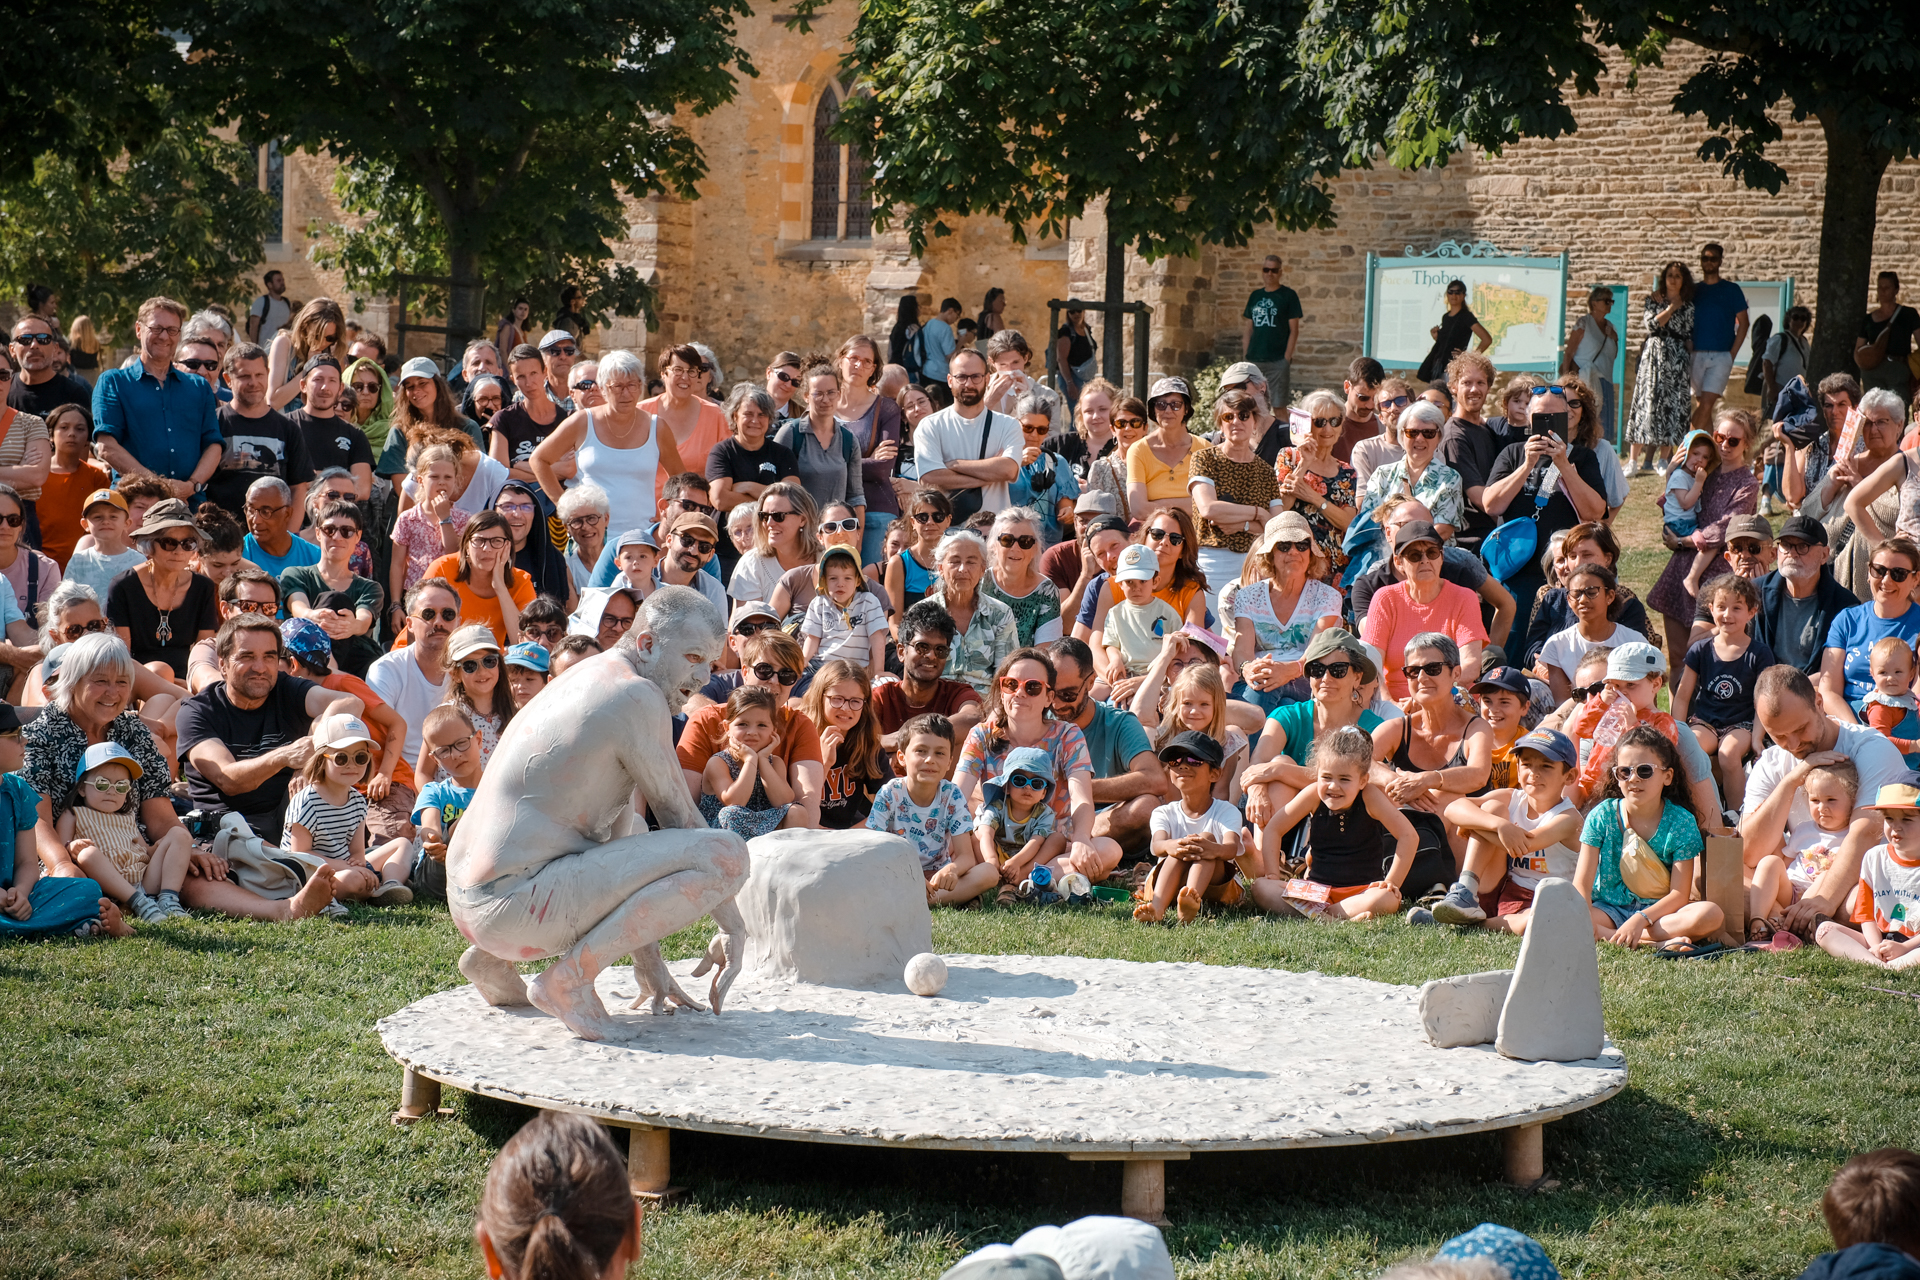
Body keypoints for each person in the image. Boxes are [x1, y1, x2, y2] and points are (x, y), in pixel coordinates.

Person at [1748, 665, 1920, 945]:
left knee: (1855, 901)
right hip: (1799, 880)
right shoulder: (1771, 763)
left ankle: (1782, 918)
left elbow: (1866, 833)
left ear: (1819, 702)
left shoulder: (1872, 748)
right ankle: (1790, 918)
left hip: (1866, 880)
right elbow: (1750, 853)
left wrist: (1823, 899)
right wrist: (1791, 782)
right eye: (1779, 736)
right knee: (1722, 873)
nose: (1793, 744)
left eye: (1801, 729)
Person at [177, 612, 361, 845]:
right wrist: (286, 756)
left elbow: (350, 703)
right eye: (247, 656)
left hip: (290, 823)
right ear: (222, 664)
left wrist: (310, 754)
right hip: (228, 831)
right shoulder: (198, 712)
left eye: (269, 657)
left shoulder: (285, 688)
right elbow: (229, 780)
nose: (260, 667)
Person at [953, 647, 1118, 880]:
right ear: (1001, 690)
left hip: (1047, 845)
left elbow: (1081, 797)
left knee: (1109, 849)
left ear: (1049, 697)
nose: (1020, 693)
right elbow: (957, 795)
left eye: (1032, 687)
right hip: (992, 843)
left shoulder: (1068, 735)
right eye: (1011, 684)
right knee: (956, 837)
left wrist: (1081, 838)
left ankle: (1012, 876)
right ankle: (1034, 878)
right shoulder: (982, 734)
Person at [1575, 725, 1725, 950]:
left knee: (1711, 914)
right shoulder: (1601, 815)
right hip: (1608, 910)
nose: (1633, 778)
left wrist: (1640, 919)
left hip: (1660, 915)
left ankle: (1617, 936)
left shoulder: (1681, 821)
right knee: (1570, 913)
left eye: (1644, 771)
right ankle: (1654, 943)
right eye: (1625, 771)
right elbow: (1581, 884)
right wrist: (1583, 914)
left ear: (1667, 776)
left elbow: (1678, 895)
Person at [1419, 728, 1582, 932]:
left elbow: (1524, 845)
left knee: (1533, 921)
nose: (1534, 773)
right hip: (1503, 886)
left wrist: (1476, 826)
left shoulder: (1569, 818)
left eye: (1546, 766)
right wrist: (1498, 825)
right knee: (1492, 809)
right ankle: (1466, 891)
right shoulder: (1512, 797)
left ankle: (1468, 925)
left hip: (1545, 898)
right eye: (1526, 764)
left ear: (1569, 776)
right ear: (1518, 769)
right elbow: (1452, 808)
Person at [1482, 384, 1609, 638]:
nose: (1548, 423)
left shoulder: (1582, 457)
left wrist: (1564, 464)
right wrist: (1527, 465)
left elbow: (1595, 512)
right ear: (1530, 419)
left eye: (1555, 417)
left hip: (1565, 574)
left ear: (1567, 418)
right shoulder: (1513, 453)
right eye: (1541, 416)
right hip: (1518, 573)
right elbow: (1491, 505)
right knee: (1515, 645)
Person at [1260, 725, 1419, 921]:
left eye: (1344, 779)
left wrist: (1391, 882)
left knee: (1386, 899)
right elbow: (1274, 828)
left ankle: (1318, 916)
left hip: (1361, 892)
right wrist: (1272, 874)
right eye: (1326, 777)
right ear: (1317, 774)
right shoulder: (1313, 795)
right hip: (1315, 891)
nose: (1333, 786)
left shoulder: (1369, 796)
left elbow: (1408, 836)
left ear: (1362, 781)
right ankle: (1335, 918)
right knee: (1262, 887)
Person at [676, 627, 824, 829]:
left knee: (797, 811)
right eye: (764, 670)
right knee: (731, 814)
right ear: (745, 672)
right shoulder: (706, 720)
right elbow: (686, 804)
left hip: (771, 833)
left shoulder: (799, 725)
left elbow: (807, 801)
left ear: (794, 683)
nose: (773, 681)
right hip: (716, 832)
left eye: (786, 674)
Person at [531, 350, 680, 549]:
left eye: (632, 385)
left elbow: (680, 480)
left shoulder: (657, 427)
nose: (625, 393)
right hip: (589, 540)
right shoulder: (582, 422)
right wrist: (565, 506)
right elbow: (539, 459)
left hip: (642, 540)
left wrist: (668, 514)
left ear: (640, 386)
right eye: (617, 386)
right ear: (602, 388)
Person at [91, 298, 224, 496]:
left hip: (189, 502)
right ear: (139, 329)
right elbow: (106, 446)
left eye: (172, 330)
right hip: (135, 502)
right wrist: (160, 488)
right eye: (156, 328)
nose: (164, 336)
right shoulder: (114, 382)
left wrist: (191, 486)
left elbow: (213, 445)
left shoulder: (199, 387)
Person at [281, 711, 413, 906]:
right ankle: (370, 886)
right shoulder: (306, 801)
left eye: (360, 757)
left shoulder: (357, 801)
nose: (352, 765)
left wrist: (358, 862)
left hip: (346, 866)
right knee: (354, 880)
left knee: (403, 844)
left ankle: (390, 885)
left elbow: (357, 851)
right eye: (341, 758)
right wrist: (348, 868)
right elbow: (301, 855)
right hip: (310, 874)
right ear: (321, 759)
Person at [866, 713, 992, 905]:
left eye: (939, 753)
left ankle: (919, 900)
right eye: (921, 751)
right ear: (902, 757)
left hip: (937, 877)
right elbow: (874, 851)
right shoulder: (890, 793)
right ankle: (942, 898)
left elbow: (966, 856)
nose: (930, 759)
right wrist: (910, 876)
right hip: (897, 873)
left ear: (949, 762)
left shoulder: (952, 795)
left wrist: (952, 870)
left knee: (989, 873)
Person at [61, 741, 193, 923]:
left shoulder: (128, 817)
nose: (112, 791)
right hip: (108, 885)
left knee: (179, 833)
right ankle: (138, 903)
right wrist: (72, 846)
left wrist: (162, 846)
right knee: (87, 854)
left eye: (121, 786)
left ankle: (168, 899)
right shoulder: (74, 813)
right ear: (82, 788)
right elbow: (61, 848)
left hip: (144, 881)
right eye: (102, 784)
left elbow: (145, 850)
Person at [1672, 573, 1771, 809]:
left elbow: (1763, 701)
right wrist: (1677, 732)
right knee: (1691, 750)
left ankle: (1737, 814)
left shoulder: (1759, 653)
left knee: (1728, 754)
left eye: (1737, 608)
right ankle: (1699, 810)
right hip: (1705, 721)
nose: (1727, 614)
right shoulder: (1700, 649)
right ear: (1711, 609)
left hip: (1742, 724)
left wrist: (1757, 738)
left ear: (1751, 612)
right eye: (1721, 607)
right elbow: (1682, 696)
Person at [1359, 522, 1487, 699]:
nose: (1425, 560)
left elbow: (1470, 665)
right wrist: (1389, 704)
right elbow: (1372, 664)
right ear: (1398, 562)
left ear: (1441, 557)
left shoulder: (1464, 597)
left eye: (1432, 553)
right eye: (1414, 555)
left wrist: (1430, 700)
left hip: (1450, 698)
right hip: (1396, 702)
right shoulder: (1385, 599)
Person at [105, 498, 219, 681]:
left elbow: (204, 652)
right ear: (149, 544)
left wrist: (185, 685)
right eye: (169, 542)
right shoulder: (122, 586)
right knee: (159, 671)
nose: (179, 551)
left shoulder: (203, 587)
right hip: (136, 679)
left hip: (189, 680)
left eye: (188, 543)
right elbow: (122, 656)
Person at [1189, 388, 1282, 608]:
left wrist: (1243, 524)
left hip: (1255, 565)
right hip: (1212, 562)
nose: (1236, 421)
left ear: (1254, 421)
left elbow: (1277, 529)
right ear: (1220, 424)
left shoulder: (1266, 471)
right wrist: (1259, 513)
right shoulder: (1204, 459)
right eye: (1228, 416)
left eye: (1243, 415)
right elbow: (1209, 509)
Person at [1747, 758, 1857, 944]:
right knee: (1769, 862)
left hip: (1821, 898)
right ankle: (1758, 920)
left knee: (1826, 875)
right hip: (1792, 891)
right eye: (1815, 801)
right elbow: (1785, 864)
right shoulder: (1803, 829)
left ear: (1852, 799)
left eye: (1831, 800)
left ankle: (1793, 921)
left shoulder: (1852, 835)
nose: (1822, 808)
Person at [1520, 520, 1651, 668]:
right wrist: (1541, 663)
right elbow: (1532, 649)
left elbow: (1636, 658)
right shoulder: (1553, 599)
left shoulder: (1628, 604)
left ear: (1608, 559)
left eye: (1587, 555)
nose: (1578, 563)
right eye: (1572, 556)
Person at [207, 340, 313, 518]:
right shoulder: (213, 423)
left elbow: (299, 488)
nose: (253, 382)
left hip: (274, 530)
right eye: (245, 376)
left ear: (268, 374)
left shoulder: (288, 428)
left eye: (259, 375)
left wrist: (289, 532)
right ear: (228, 379)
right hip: (221, 529)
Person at [281, 498, 382, 677]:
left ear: (358, 536)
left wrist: (351, 625)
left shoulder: (370, 587)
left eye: (346, 531)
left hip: (353, 660)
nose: (337, 537)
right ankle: (330, 674)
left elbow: (363, 621)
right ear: (318, 533)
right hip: (305, 658)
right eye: (329, 530)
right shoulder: (295, 574)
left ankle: (331, 675)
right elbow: (298, 607)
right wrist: (314, 617)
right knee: (334, 601)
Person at [915, 348, 1021, 517]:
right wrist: (992, 473)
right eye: (962, 377)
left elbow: (1009, 470)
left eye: (976, 377)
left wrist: (953, 465)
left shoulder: (1008, 425)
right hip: (949, 528)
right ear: (950, 380)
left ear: (987, 379)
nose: (969, 384)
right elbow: (930, 478)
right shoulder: (930, 426)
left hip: (996, 527)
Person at [831, 335, 904, 565]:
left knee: (869, 582)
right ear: (841, 359)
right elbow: (809, 462)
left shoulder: (886, 409)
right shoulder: (824, 404)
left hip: (875, 509)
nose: (858, 365)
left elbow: (882, 469)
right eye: (853, 358)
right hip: (828, 512)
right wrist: (866, 459)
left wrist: (831, 463)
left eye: (866, 361)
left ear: (873, 369)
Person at [872, 600, 984, 748]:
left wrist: (905, 740)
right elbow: (855, 737)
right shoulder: (881, 697)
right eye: (922, 647)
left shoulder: (957, 694)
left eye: (940, 650)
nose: (931, 656)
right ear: (901, 652)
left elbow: (973, 718)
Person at [1272, 389, 1358, 582]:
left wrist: (1313, 497)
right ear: (1306, 424)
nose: (1327, 429)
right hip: (1296, 560)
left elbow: (1348, 523)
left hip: (1335, 565)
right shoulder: (1289, 457)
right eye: (1319, 422)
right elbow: (1281, 509)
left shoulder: (1346, 472)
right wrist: (1304, 463)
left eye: (1334, 421)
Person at [775, 356, 866, 529]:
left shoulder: (848, 440)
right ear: (806, 396)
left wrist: (857, 538)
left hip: (835, 532)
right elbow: (774, 490)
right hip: (798, 533)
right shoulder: (790, 434)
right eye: (818, 393)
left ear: (839, 394)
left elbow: (855, 496)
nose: (825, 400)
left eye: (831, 392)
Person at [925, 530, 1018, 699]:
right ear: (941, 568)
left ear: (983, 569)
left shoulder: (1000, 614)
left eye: (971, 562)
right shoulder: (924, 613)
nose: (963, 569)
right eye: (954, 561)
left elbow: (1006, 675)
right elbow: (918, 673)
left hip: (984, 704)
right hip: (936, 702)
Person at [800, 659, 891, 829]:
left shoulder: (866, 742)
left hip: (849, 833)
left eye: (855, 701)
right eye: (837, 699)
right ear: (819, 697)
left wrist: (849, 834)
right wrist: (824, 764)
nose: (846, 708)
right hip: (806, 831)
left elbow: (891, 802)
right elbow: (795, 806)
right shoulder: (800, 737)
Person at [1624, 261, 1697, 475]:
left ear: (1683, 280)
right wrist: (1672, 308)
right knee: (1646, 402)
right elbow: (1652, 325)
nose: (1673, 279)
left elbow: (1688, 332)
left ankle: (1664, 459)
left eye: (1678, 276)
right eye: (1670, 275)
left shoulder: (1689, 305)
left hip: (1676, 357)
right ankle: (1633, 460)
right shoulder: (1653, 300)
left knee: (1672, 404)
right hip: (1654, 354)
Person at [1535, 563, 1647, 700]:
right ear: (1569, 600)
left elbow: (1647, 698)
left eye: (1592, 593)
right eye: (1576, 594)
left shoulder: (1635, 643)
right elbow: (1562, 703)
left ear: (1610, 596)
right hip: (1579, 711)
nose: (1583, 600)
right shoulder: (1556, 645)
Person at [706, 384, 799, 547]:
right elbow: (720, 500)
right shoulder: (722, 452)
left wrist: (749, 487)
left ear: (769, 418)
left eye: (762, 415)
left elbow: (793, 499)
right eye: (748, 414)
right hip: (727, 547)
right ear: (735, 416)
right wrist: (772, 501)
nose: (755, 420)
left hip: (771, 545)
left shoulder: (783, 454)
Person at [697, 684, 795, 838]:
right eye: (742, 724)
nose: (752, 732)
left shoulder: (775, 763)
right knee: (731, 814)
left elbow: (783, 800)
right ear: (727, 727)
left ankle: (782, 852)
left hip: (761, 825)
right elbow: (735, 801)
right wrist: (750, 760)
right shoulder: (719, 762)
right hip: (721, 833)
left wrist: (762, 760)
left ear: (773, 730)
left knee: (796, 811)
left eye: (762, 725)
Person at [973, 745, 1066, 904]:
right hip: (996, 853)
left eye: (1037, 783)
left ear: (1044, 793)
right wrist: (991, 859)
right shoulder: (997, 806)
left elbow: (1036, 842)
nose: (1028, 787)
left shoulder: (1045, 813)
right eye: (1020, 780)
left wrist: (1017, 862)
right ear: (1006, 786)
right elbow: (987, 833)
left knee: (1058, 839)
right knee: (976, 835)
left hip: (1027, 858)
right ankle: (992, 874)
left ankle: (1022, 875)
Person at [1360, 399, 1462, 540]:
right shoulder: (1381, 475)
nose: (1419, 438)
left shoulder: (1450, 478)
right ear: (1402, 435)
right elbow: (1367, 523)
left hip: (1431, 551)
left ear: (1439, 437)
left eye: (1428, 433)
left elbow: (1443, 530)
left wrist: (1407, 549)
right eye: (1412, 432)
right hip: (1384, 550)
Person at [636, 344, 725, 504]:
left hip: (695, 512)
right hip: (644, 510)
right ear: (663, 373)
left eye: (691, 371)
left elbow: (727, 469)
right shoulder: (641, 412)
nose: (685, 377)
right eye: (678, 370)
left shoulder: (716, 415)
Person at [284, 356, 373, 500]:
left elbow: (362, 490)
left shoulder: (355, 435)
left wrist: (308, 480)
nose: (325, 387)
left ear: (340, 388)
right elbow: (278, 480)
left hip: (337, 513)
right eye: (318, 379)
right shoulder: (284, 426)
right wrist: (341, 482)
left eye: (332, 380)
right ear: (303, 385)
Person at [1687, 243, 1750, 436]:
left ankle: (1686, 446)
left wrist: (1732, 354)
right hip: (1696, 354)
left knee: (1707, 403)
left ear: (1720, 261)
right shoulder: (1694, 291)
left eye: (1713, 258)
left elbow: (1744, 323)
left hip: (1721, 356)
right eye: (1705, 258)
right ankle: (1709, 450)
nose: (1709, 262)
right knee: (1703, 406)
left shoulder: (1731, 290)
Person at [799, 545, 887, 681]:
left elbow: (877, 637)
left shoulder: (868, 601)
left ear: (858, 580)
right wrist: (804, 660)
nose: (840, 584)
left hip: (855, 671)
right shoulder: (819, 603)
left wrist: (879, 671)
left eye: (847, 578)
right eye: (833, 578)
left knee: (886, 683)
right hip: (821, 668)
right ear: (824, 581)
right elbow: (813, 638)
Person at [981, 506, 1062, 647]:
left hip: (1029, 661)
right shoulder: (979, 582)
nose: (1015, 548)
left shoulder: (1047, 591)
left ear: (1035, 549)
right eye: (1007, 540)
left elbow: (1045, 650)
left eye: (1025, 541)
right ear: (994, 546)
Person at [1006, 393, 1079, 546]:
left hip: (1047, 546)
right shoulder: (1002, 459)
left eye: (1041, 429)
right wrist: (1017, 461)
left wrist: (1067, 512)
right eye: (1028, 428)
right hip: (1009, 542)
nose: (1034, 435)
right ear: (1016, 423)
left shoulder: (1057, 462)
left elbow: (1065, 504)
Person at [1102, 544, 1183, 680]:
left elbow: (1179, 648)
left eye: (1143, 581)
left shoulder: (1168, 613)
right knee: (1097, 690)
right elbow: (1111, 644)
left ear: (1155, 581)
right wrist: (1115, 660)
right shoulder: (1115, 613)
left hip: (1159, 675)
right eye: (1129, 582)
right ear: (1120, 584)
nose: (1136, 588)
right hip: (1124, 673)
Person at [489, 345, 565, 487]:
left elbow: (570, 469)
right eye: (521, 377)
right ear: (513, 379)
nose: (529, 383)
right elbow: (497, 474)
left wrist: (518, 465)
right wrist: (553, 470)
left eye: (533, 373)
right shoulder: (503, 420)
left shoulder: (566, 419)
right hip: (517, 497)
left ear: (545, 372)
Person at [1126, 377, 1196, 520]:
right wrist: (1192, 504)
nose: (1168, 410)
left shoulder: (1204, 449)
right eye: (1161, 405)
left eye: (1175, 405)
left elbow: (1211, 504)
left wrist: (1157, 504)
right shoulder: (1138, 450)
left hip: (1196, 531)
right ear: (1153, 410)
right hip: (1154, 530)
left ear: (1186, 409)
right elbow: (1139, 509)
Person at [496, 481, 574, 609]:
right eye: (507, 506)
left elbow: (568, 612)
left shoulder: (551, 559)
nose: (517, 514)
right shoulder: (480, 556)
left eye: (526, 507)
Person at [1242, 255, 1302, 406]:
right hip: (1254, 359)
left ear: (1280, 272)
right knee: (1253, 406)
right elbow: (1249, 328)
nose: (1270, 273)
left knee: (1279, 406)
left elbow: (1294, 330)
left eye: (1274, 270)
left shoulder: (1288, 295)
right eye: (1266, 270)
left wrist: (1286, 359)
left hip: (1277, 361)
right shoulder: (1255, 296)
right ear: (1262, 272)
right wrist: (1245, 356)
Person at [9, 314, 93, 420]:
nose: (34, 345)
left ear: (55, 348)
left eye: (43, 339)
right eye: (25, 339)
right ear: (12, 350)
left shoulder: (74, 395)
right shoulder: (4, 390)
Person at [240, 476, 320, 585]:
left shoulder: (315, 557)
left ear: (287, 514)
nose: (256, 520)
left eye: (266, 512)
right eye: (251, 510)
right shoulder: (237, 557)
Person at [1562, 286, 1619, 435]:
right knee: (1587, 424)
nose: (1610, 304)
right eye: (1606, 301)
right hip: (1586, 380)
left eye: (1611, 301)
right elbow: (1569, 353)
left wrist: (1614, 338)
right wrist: (1566, 381)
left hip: (1605, 380)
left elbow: (1613, 355)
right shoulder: (1584, 323)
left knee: (1604, 427)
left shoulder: (1610, 327)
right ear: (1594, 303)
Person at [885, 488, 950, 619]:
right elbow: (894, 622)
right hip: (910, 632)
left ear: (948, 521)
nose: (930, 522)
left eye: (938, 517)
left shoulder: (958, 559)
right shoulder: (898, 563)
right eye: (922, 517)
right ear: (913, 522)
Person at [1417, 279, 1492, 387]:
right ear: (1447, 294)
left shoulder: (1466, 316)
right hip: (1439, 367)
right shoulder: (1446, 317)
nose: (1454, 295)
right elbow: (1449, 341)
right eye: (1450, 292)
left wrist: (1470, 358)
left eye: (1457, 292)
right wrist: (1437, 337)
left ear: (1463, 295)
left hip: (1454, 369)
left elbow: (1487, 339)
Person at [1762, 304, 1813, 421]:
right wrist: (1771, 388)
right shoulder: (1780, 339)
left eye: (1803, 318)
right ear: (1789, 319)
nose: (1799, 321)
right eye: (1795, 317)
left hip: (1798, 392)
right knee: (1777, 423)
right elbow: (1767, 363)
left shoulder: (1804, 342)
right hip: (1780, 389)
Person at [556, 482, 609, 592]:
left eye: (592, 518)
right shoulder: (565, 568)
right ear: (566, 527)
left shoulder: (624, 560)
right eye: (577, 521)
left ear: (606, 519)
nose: (585, 527)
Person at [1053, 306, 1097, 406]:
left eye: (1079, 310)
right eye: (1072, 311)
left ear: (1083, 311)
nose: (1076, 314)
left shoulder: (1086, 329)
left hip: (1086, 377)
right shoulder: (1066, 332)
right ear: (1068, 314)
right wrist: (1070, 383)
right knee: (1078, 411)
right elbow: (1061, 359)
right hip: (1073, 378)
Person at [246, 271, 291, 345]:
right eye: (279, 280)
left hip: (284, 347)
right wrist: (255, 347)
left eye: (283, 280)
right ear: (270, 284)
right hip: (265, 348)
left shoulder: (287, 302)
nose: (282, 283)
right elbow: (253, 326)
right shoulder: (261, 302)